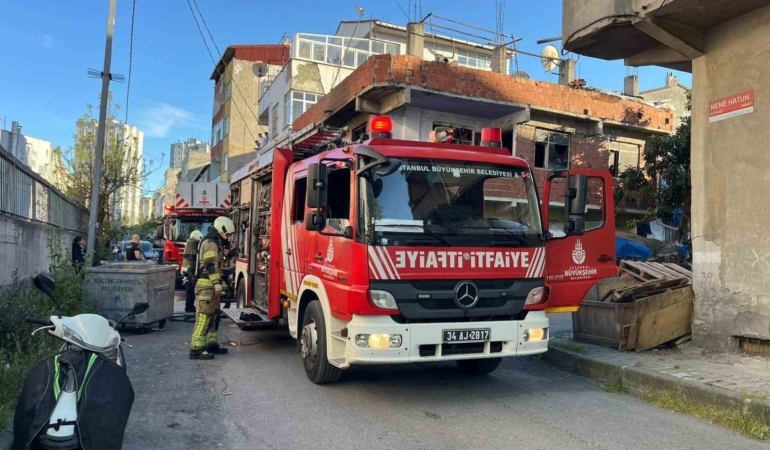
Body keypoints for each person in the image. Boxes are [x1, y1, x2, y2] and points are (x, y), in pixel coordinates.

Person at [189, 217, 235, 360]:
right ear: (221, 230)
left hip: (211, 287)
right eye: (227, 234)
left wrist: (224, 285)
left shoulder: (215, 243)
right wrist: (216, 283)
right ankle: (196, 349)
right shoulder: (210, 244)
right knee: (204, 317)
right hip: (206, 287)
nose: (228, 237)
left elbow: (218, 267)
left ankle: (211, 344)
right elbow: (210, 265)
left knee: (213, 317)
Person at [182, 230, 204, 313]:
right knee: (191, 290)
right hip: (190, 271)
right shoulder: (194, 244)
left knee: (189, 289)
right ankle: (189, 307)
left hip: (186, 269)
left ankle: (189, 306)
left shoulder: (189, 244)